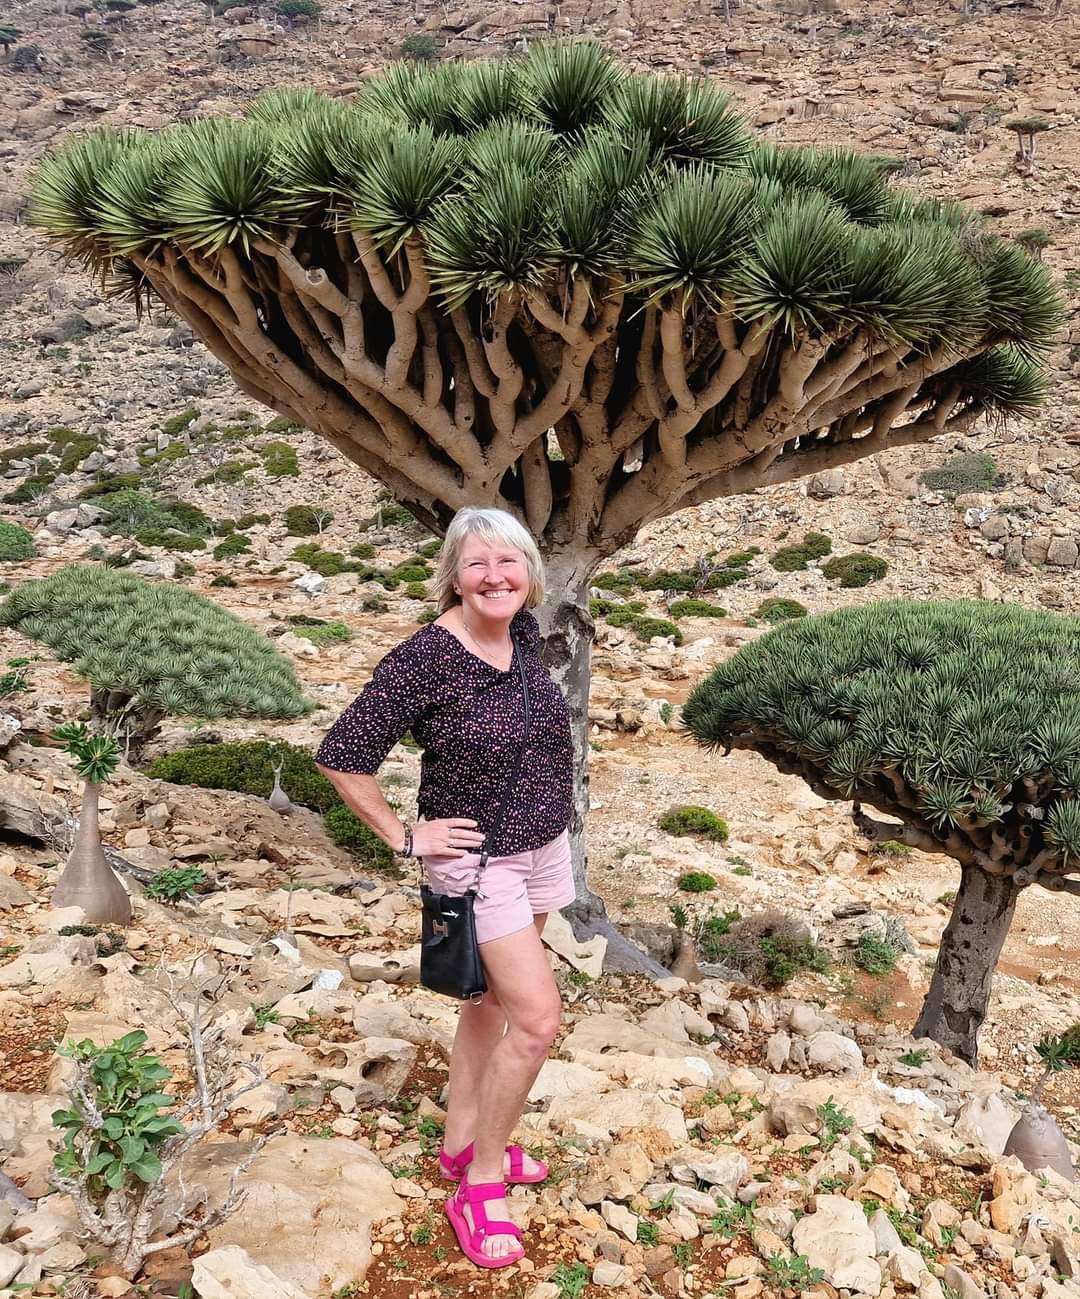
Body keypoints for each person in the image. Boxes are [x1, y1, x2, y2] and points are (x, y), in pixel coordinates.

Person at [314, 505, 575, 1269]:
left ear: (528, 573)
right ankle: (481, 1185)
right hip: (480, 861)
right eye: (477, 564)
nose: (495, 577)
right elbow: (342, 752)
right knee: (536, 1019)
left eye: (509, 563)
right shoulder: (426, 658)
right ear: (453, 577)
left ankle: (462, 1144)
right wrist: (405, 835)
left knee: (490, 1002)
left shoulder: (522, 634)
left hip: (540, 847)